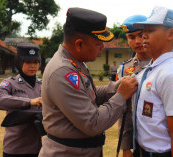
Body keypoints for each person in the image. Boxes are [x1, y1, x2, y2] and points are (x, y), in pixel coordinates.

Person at [38, 7, 138, 157]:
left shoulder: (75, 62)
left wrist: (118, 86)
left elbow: (90, 94)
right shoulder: (62, 71)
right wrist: (121, 96)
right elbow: (93, 123)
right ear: (79, 44)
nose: (102, 48)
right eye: (98, 44)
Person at [118, 14, 173, 157]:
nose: (139, 40)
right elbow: (125, 110)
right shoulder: (125, 69)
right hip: (141, 143)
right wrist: (126, 147)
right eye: (132, 37)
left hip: (166, 144)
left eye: (143, 34)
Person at [132, 6, 173, 157]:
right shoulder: (150, 69)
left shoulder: (170, 75)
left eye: (150, 30)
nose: (143, 35)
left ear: (170, 33)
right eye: (143, 31)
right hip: (142, 150)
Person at [0, 43, 43, 157]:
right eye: (28, 62)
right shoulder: (10, 83)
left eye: (35, 62)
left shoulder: (44, 84)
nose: (32, 66)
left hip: (40, 148)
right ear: (19, 62)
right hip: (16, 149)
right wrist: (29, 102)